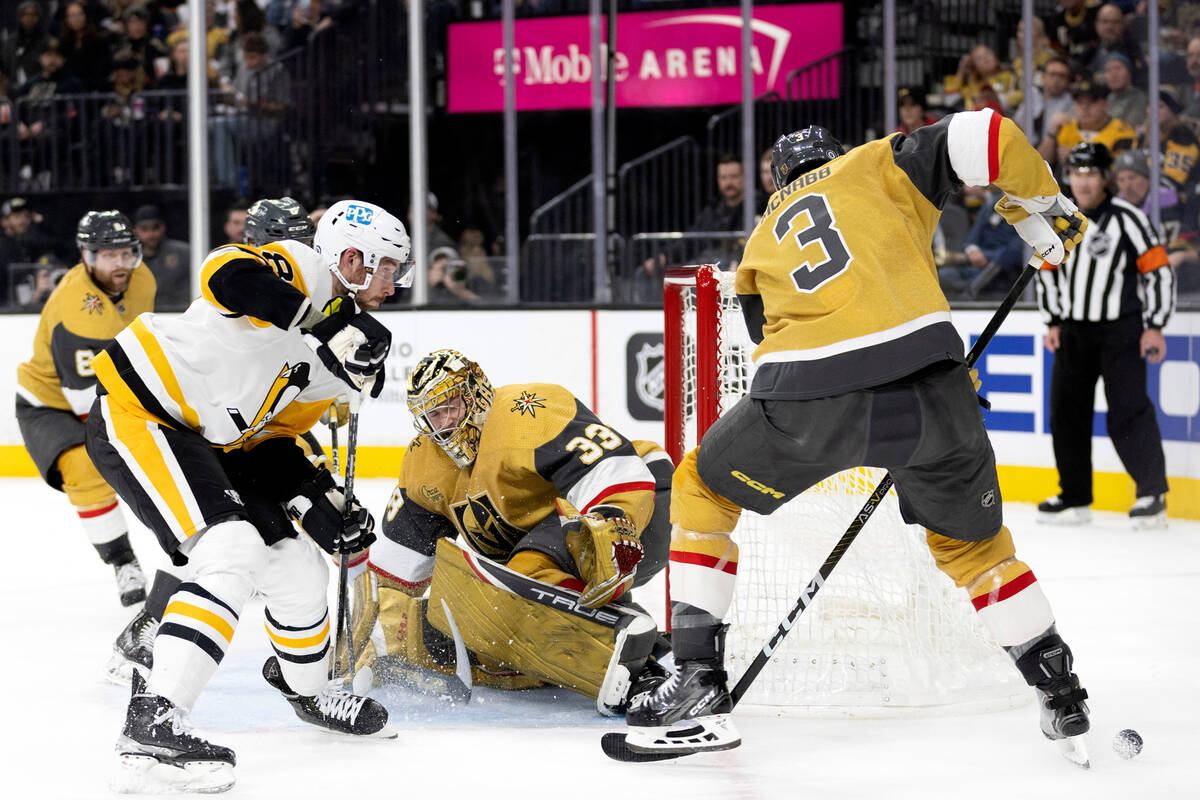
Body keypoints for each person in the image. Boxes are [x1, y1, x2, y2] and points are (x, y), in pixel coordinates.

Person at [623, 111, 1093, 762]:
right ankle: (1061, 692)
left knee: (701, 485)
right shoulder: (881, 162)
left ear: (780, 179)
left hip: (809, 402)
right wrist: (1040, 203)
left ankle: (699, 676)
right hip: (936, 393)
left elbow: (769, 337)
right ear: (836, 154)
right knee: (979, 553)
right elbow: (990, 135)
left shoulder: (761, 238)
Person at [87, 199, 411, 793]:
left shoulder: (338, 360)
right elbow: (224, 275)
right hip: (143, 408)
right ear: (349, 258)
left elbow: (270, 442)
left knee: (297, 569)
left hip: (218, 446)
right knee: (231, 550)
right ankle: (153, 721)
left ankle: (307, 692)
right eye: (387, 268)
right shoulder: (305, 268)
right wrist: (326, 322)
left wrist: (315, 502)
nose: (395, 284)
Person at [348, 348, 673, 713]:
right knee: (473, 617)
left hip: (639, 501)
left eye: (450, 408)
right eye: (432, 416)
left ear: (477, 393)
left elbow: (614, 470)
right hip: (549, 546)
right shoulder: (424, 462)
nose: (444, 426)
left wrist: (613, 521)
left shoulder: (526, 411)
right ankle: (615, 629)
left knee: (523, 577)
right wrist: (367, 639)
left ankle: (635, 662)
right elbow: (392, 576)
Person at [15, 211, 154, 609]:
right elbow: (85, 405)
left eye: (127, 253)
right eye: (109, 256)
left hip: (109, 392)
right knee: (85, 467)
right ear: (86, 256)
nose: (121, 265)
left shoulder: (143, 280)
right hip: (49, 404)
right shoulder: (74, 310)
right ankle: (123, 562)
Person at [1036, 143, 1173, 528]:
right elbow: (1048, 270)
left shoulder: (1128, 219)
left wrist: (1156, 325)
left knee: (1128, 412)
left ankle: (1151, 495)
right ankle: (1075, 497)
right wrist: (1052, 321)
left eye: (1090, 173)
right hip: (1073, 331)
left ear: (1105, 177)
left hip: (1120, 331)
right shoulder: (1060, 218)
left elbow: (1159, 270)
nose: (1082, 181)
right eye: (1076, 173)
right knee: (1066, 413)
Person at [1055, 77, 1136, 165]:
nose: (1085, 108)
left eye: (1091, 102)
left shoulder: (1122, 131)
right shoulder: (1067, 128)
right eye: (1080, 102)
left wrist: (1076, 157)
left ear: (1105, 104)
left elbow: (1121, 171)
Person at [133, 204, 191, 308]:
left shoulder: (184, 253)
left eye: (155, 228)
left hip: (178, 313)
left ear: (163, 226)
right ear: (135, 230)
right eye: (144, 229)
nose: (150, 234)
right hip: (142, 316)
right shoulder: (129, 259)